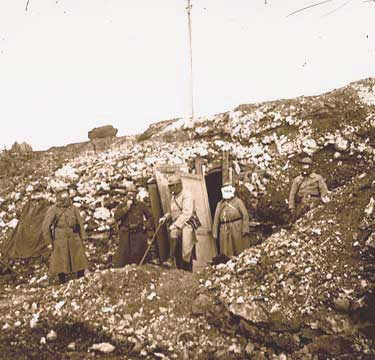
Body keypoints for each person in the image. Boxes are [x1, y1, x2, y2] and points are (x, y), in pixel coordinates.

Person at [43, 188, 89, 285]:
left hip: (73, 236)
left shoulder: (73, 208)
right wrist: (49, 242)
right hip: (60, 238)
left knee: (78, 258)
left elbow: (80, 223)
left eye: (67, 196)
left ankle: (80, 279)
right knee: (61, 261)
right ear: (59, 197)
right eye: (63, 196)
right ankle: (62, 281)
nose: (66, 199)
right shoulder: (53, 209)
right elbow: (45, 226)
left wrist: (83, 238)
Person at [160, 174, 197, 271]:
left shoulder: (186, 195)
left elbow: (187, 213)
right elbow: (174, 212)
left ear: (178, 185)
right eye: (170, 186)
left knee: (186, 252)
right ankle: (176, 266)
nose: (171, 188)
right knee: (178, 252)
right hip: (177, 225)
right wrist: (166, 217)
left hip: (186, 225)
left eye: (172, 186)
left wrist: (175, 225)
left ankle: (187, 274)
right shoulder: (174, 196)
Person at [114, 183, 155, 267]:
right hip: (126, 236)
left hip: (139, 235)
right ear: (126, 194)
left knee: (140, 261)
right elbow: (116, 217)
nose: (131, 194)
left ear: (136, 194)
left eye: (133, 192)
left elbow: (151, 217)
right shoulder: (122, 206)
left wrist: (145, 225)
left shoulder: (141, 205)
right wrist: (126, 208)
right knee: (124, 261)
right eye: (129, 192)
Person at [212, 182, 250, 257]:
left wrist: (245, 229)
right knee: (226, 249)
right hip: (224, 228)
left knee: (238, 247)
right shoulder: (220, 204)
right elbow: (216, 218)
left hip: (237, 227)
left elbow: (245, 215)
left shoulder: (238, 202)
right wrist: (215, 232)